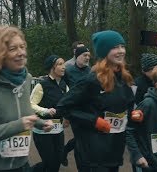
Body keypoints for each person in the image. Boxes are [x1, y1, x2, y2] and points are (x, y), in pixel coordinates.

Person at [0, 26, 54, 172]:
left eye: (22, 47)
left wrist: (41, 123)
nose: (21, 53)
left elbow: (23, 114)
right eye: (13, 49)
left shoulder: (26, 79)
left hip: (21, 165)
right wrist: (17, 126)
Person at [57, 30, 135, 172]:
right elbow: (63, 107)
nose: (121, 51)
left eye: (122, 46)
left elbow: (126, 107)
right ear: (104, 51)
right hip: (93, 155)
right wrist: (94, 121)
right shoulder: (92, 80)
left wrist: (135, 113)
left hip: (114, 152)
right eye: (115, 47)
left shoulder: (123, 79)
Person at [31, 54, 69, 172]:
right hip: (42, 130)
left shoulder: (64, 85)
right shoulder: (41, 85)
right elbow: (30, 104)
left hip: (58, 130)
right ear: (52, 68)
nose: (63, 67)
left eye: (64, 64)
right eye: (60, 64)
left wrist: (67, 116)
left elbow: (68, 103)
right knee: (49, 163)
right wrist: (46, 111)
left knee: (57, 162)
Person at [62, 46, 91, 166]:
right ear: (77, 56)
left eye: (89, 56)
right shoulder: (68, 71)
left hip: (89, 111)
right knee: (80, 139)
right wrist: (65, 114)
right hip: (74, 111)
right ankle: (81, 166)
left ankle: (64, 150)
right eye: (85, 55)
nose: (87, 58)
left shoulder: (91, 71)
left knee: (87, 138)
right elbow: (60, 88)